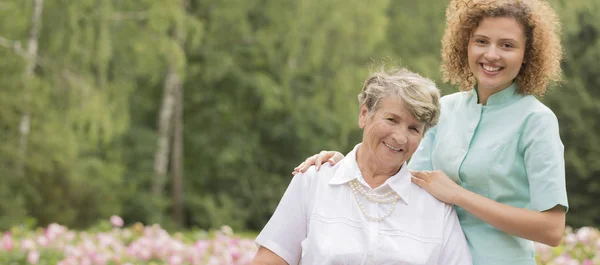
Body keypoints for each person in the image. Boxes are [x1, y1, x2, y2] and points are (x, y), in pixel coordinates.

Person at [292, 1, 569, 265]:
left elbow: (552, 230)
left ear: (526, 55)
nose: (491, 54)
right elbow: (405, 181)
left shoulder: (537, 121)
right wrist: (349, 164)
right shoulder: (445, 109)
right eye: (481, 41)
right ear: (466, 44)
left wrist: (458, 195)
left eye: (507, 45)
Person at [251, 68, 472, 265]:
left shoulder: (436, 206)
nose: (400, 137)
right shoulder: (314, 181)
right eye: (392, 120)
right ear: (364, 114)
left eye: (414, 129)